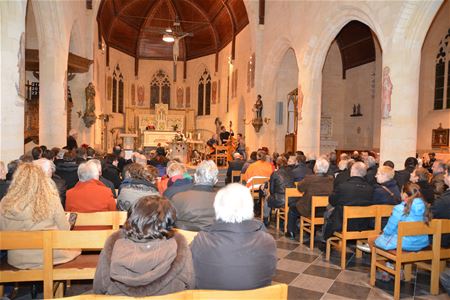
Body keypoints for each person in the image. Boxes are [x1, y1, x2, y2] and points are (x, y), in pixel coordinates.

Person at [93, 196, 194, 296]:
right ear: (169, 220)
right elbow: (190, 285)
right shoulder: (179, 248)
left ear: (132, 217)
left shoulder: (113, 246)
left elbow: (99, 288)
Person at [191, 183, 276, 290]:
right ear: (250, 207)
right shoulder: (268, 242)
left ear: (217, 208)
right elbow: (269, 274)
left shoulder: (200, 241)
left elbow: (190, 276)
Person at [0, 163, 80, 269]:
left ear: (17, 180)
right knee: (77, 248)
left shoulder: (5, 202)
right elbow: (64, 229)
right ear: (42, 180)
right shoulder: (51, 199)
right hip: (49, 256)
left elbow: (3, 230)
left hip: (18, 258)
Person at [372, 182, 431, 251]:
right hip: (422, 243)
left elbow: (389, 229)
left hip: (404, 244)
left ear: (404, 194)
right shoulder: (425, 208)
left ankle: (390, 261)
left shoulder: (399, 209)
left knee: (373, 240)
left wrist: (383, 234)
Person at [324, 162, 374, 240]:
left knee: (329, 210)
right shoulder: (370, 189)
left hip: (342, 223)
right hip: (363, 224)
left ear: (352, 172)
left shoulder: (343, 186)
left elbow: (332, 201)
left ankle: (325, 237)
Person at [287, 157, 334, 240]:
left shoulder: (309, 178)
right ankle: (311, 230)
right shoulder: (331, 179)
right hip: (324, 210)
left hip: (309, 209)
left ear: (315, 168)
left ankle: (291, 232)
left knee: (292, 207)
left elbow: (300, 188)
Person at [169, 160, 218, 231]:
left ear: (195, 177)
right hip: (214, 240)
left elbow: (170, 223)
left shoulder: (177, 198)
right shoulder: (225, 201)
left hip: (184, 240)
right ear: (216, 180)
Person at [264, 156, 295, 225]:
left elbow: (272, 190)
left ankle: (266, 219)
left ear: (277, 164)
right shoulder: (291, 172)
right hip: (291, 199)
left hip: (281, 200)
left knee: (267, 199)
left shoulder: (275, 173)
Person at [431, 162, 450, 247]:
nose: (444, 176)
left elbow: (429, 216)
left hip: (442, 241)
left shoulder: (443, 201)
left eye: (446, 173)